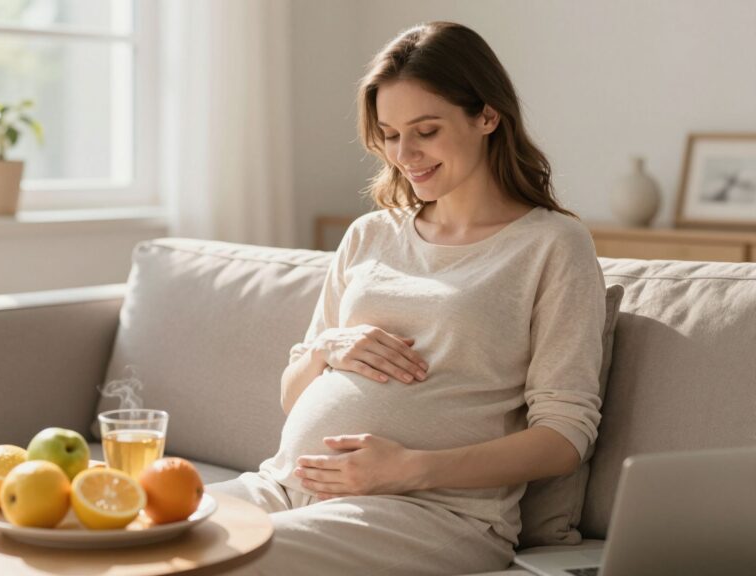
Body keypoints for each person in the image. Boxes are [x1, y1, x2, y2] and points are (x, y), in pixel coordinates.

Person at [209, 21, 606, 575]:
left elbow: (564, 437)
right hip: (283, 485)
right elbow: (291, 396)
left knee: (227, 560)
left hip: (431, 511)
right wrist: (327, 347)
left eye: (425, 130)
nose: (405, 154)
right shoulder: (370, 235)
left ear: (487, 116)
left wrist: (410, 469)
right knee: (133, 533)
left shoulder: (552, 245)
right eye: (390, 134)